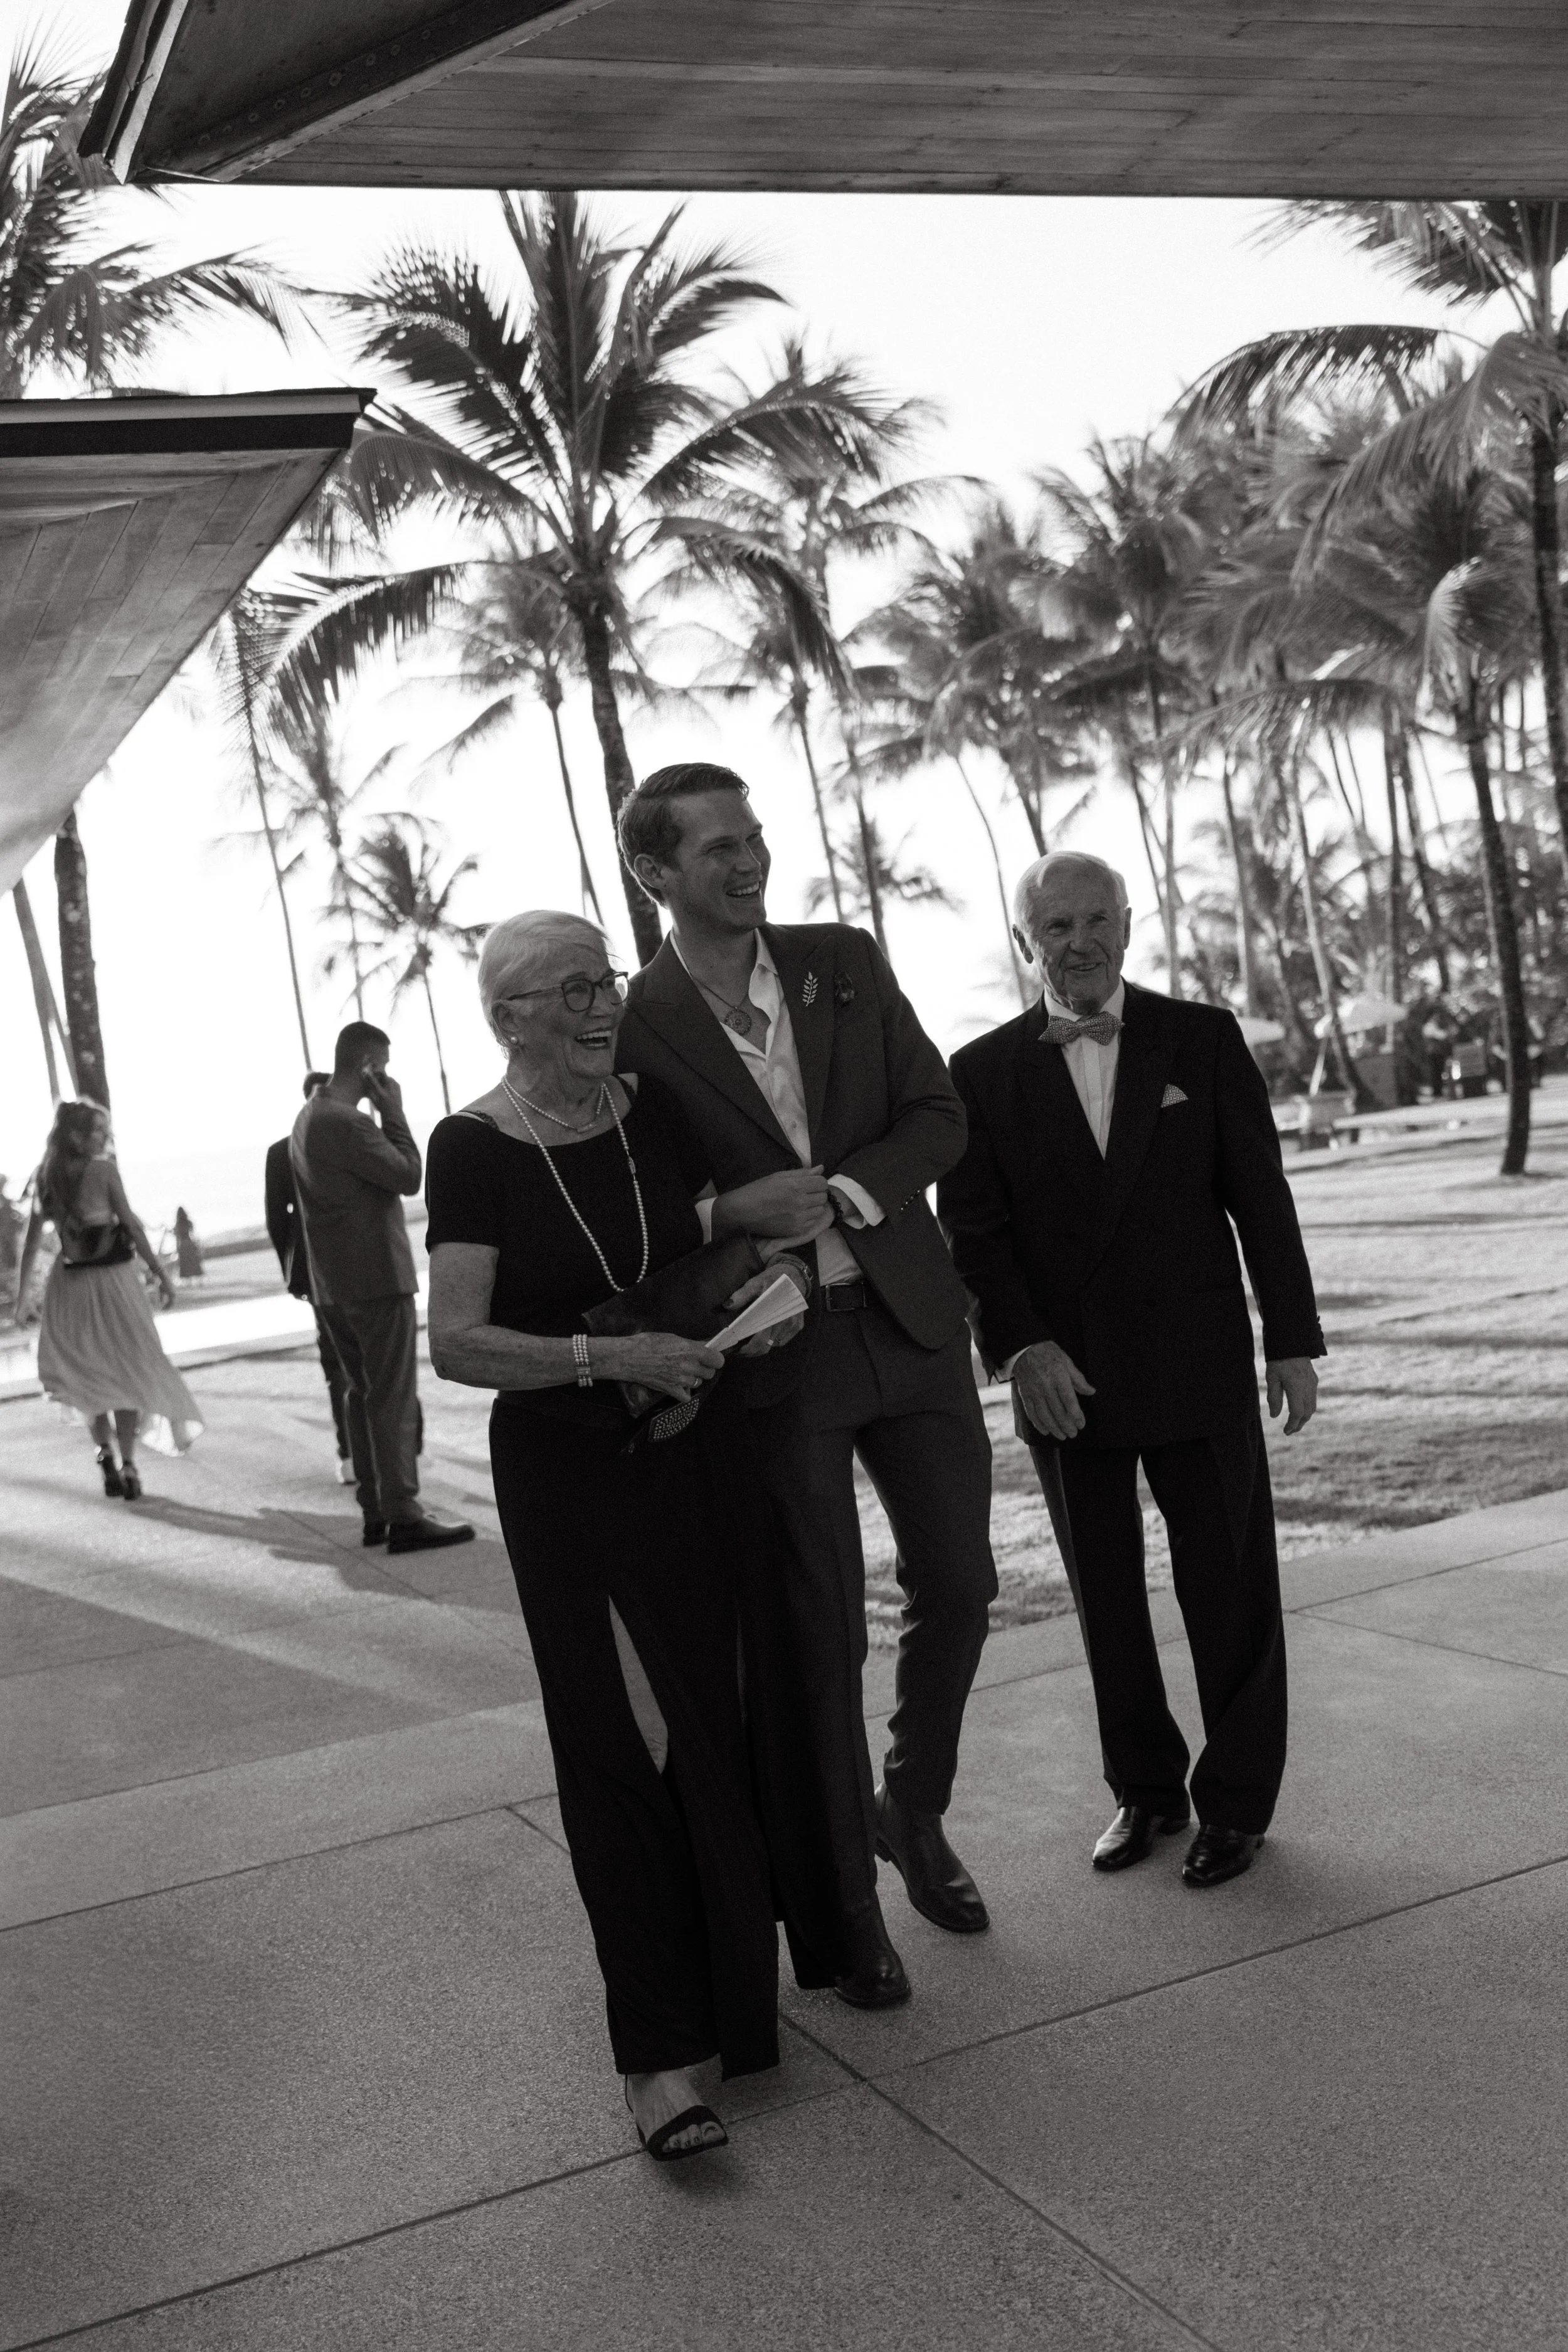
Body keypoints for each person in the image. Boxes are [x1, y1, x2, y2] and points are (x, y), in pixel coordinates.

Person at [425, 909, 829, 2161]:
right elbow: (456, 1341)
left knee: (719, 1724)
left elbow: (687, 1260)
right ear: (508, 1017)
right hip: (574, 1484)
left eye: (603, 980)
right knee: (628, 1744)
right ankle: (656, 2061)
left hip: (697, 1450)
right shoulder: (470, 1148)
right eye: (572, 987)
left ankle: (730, 2013)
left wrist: (752, 1311)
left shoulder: (648, 1112)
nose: (603, 1003)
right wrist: (604, 1357)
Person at [616, 762, 997, 2007]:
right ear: (653, 872)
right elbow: (627, 1202)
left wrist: (842, 1191)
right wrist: (730, 1208)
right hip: (780, 1355)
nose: (747, 860)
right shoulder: (634, 1022)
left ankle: (914, 1807)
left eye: (753, 837)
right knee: (820, 1631)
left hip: (912, 1321)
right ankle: (847, 1916)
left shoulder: (843, 957)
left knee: (960, 1577)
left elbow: (936, 1112)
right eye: (717, 847)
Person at [940, 852, 1325, 1890]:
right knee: (1104, 1599)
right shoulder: (976, 1073)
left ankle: (1237, 1804)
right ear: (1027, 940)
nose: (1079, 941)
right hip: (1066, 1381)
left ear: (1127, 922)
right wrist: (1021, 1350)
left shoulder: (1200, 1037)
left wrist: (1290, 1338)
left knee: (1232, 1591)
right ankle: (1146, 1792)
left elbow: (1261, 1198)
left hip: (1197, 1364)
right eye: (1056, 925)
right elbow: (975, 1237)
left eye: (1096, 919)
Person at [291, 1022, 470, 1556]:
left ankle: (377, 1511)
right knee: (391, 1397)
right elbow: (409, 1174)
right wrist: (393, 1112)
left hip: (335, 1283)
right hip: (374, 1278)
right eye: (384, 1069)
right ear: (369, 1065)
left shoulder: (308, 1116)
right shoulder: (345, 1122)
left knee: (362, 1394)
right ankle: (404, 1513)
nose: (386, 1079)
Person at [21, 1099, 201, 1495]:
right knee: (128, 1373)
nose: (107, 1138)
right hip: (114, 1284)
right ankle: (131, 1463)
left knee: (89, 1378)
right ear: (77, 1136)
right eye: (100, 1131)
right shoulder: (102, 1170)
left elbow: (33, 1243)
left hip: (69, 1287)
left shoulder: (46, 1175)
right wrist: (161, 1276)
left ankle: (104, 1454)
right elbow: (132, 1226)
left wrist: (22, 1299)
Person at [266, 1073, 352, 1482]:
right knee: (376, 1357)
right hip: (354, 1265)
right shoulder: (351, 1140)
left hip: (316, 1271)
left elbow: (275, 1220)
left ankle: (350, 1454)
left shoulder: (281, 1151)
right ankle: (392, 1447)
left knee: (337, 1364)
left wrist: (293, 1268)